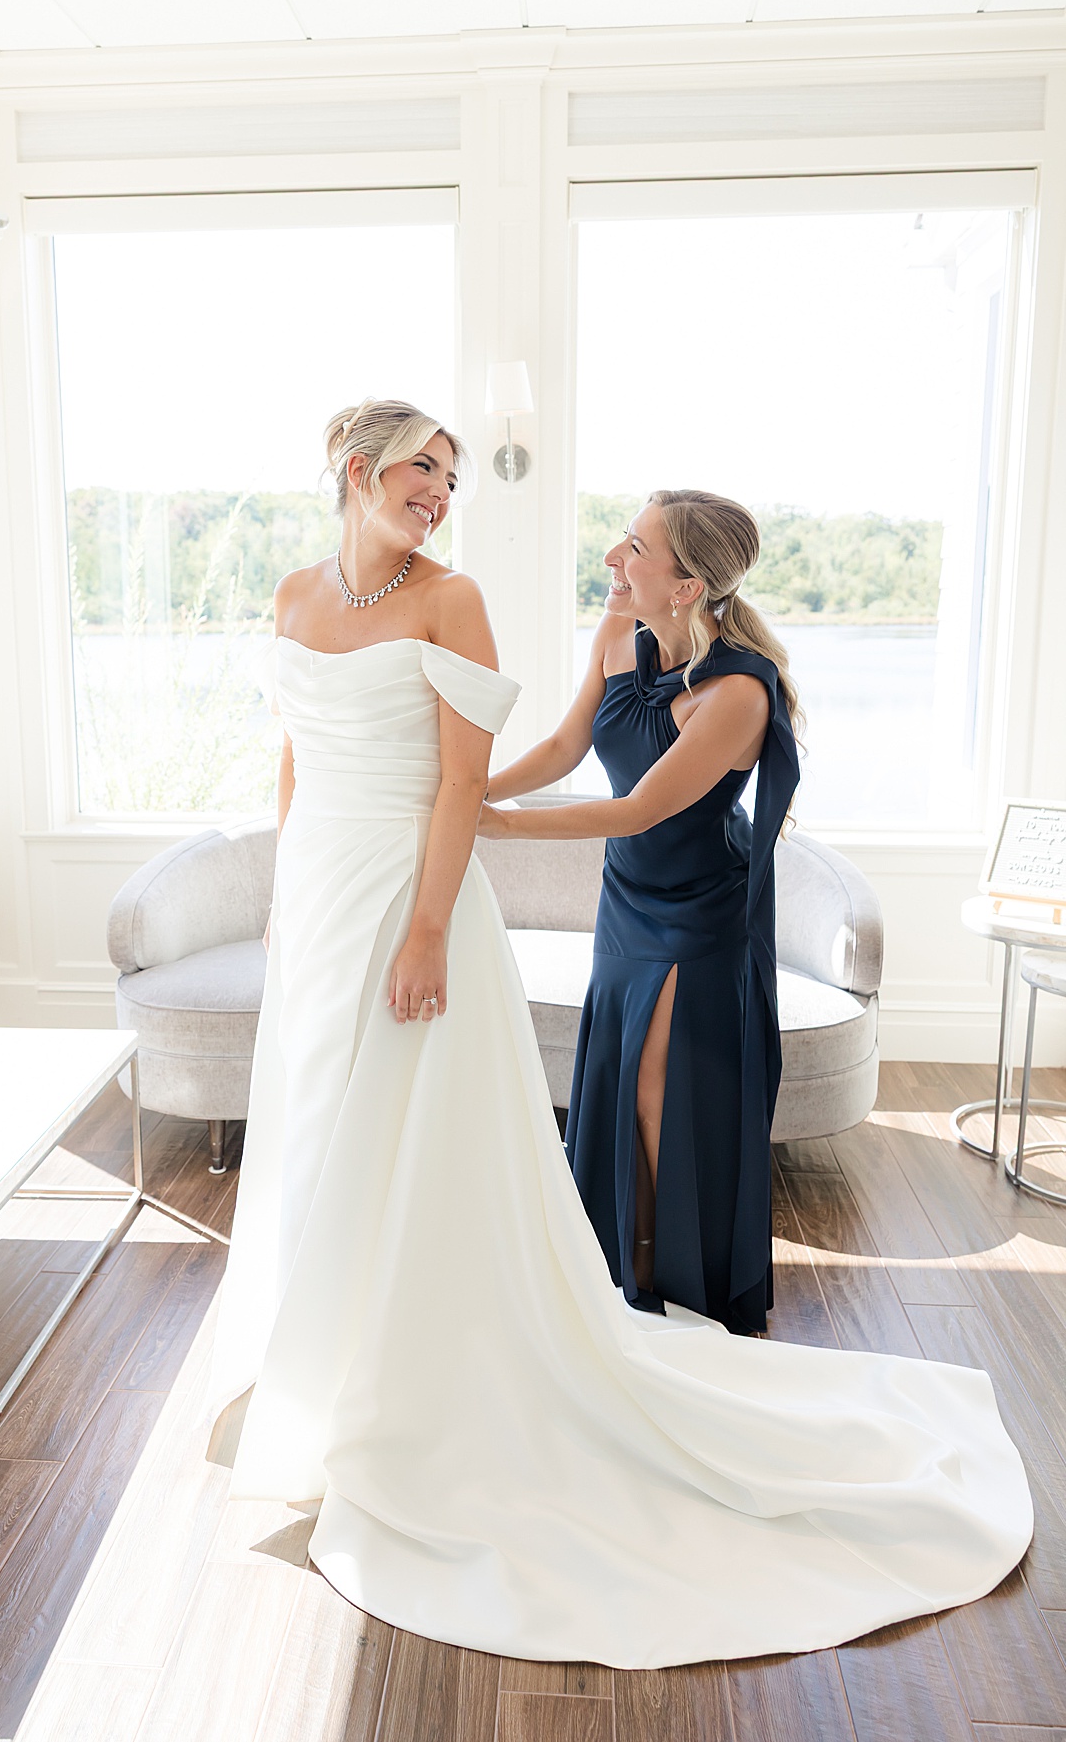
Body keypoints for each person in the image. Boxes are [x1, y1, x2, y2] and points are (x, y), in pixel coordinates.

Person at [205, 398, 1029, 1669]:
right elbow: (317, 756)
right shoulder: (294, 593)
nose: (440, 489)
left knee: (440, 1136)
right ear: (357, 472)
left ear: (686, 575)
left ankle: (477, 1363)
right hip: (322, 898)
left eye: (451, 473)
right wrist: (281, 896)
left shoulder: (469, 602)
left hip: (482, 906)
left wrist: (436, 913)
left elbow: (535, 790)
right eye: (422, 468)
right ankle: (322, 1368)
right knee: (317, 1126)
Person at [480, 490, 800, 1334]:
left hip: (699, 914)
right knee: (619, 1082)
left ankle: (674, 1284)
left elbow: (639, 809)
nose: (614, 560)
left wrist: (501, 828)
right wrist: (473, 790)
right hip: (628, 903)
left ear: (688, 584)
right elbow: (563, 746)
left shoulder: (738, 692)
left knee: (661, 1093)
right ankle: (618, 1270)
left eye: (634, 547)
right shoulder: (621, 633)